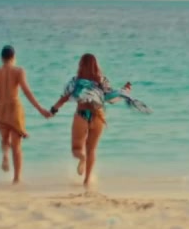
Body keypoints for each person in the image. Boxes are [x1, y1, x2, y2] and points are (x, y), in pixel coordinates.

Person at [48, 53, 148, 188]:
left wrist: (53, 110)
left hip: (81, 115)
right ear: (96, 65)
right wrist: (125, 90)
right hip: (98, 117)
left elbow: (64, 98)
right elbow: (111, 97)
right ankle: (87, 181)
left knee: (76, 148)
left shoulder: (75, 81)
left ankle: (82, 158)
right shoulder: (102, 81)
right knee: (91, 150)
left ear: (80, 65)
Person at [0, 45, 51, 184]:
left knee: (4, 139)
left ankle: (5, 156)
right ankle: (17, 178)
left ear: (2, 58)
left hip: (0, 108)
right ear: (13, 57)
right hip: (15, 109)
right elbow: (26, 91)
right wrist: (40, 109)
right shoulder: (19, 71)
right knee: (17, 146)